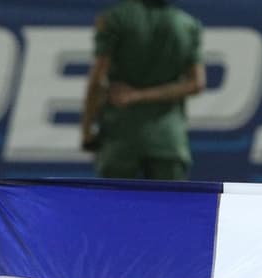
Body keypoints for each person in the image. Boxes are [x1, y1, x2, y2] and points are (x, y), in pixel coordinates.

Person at [80, 0, 205, 180]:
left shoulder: (116, 19)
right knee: (169, 207)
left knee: (114, 206)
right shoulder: (187, 25)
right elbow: (197, 83)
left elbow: (97, 80)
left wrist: (86, 131)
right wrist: (141, 95)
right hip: (168, 140)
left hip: (120, 138)